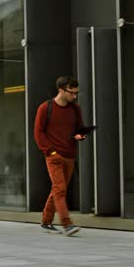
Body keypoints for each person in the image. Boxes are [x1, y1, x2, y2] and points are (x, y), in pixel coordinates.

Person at [34, 76, 86, 236]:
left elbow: (79, 128)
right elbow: (38, 133)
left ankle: (46, 221)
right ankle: (67, 224)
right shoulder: (45, 107)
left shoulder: (75, 109)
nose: (74, 96)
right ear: (61, 90)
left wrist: (80, 135)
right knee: (60, 189)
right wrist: (50, 151)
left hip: (70, 155)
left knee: (57, 190)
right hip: (54, 156)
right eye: (72, 93)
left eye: (76, 93)